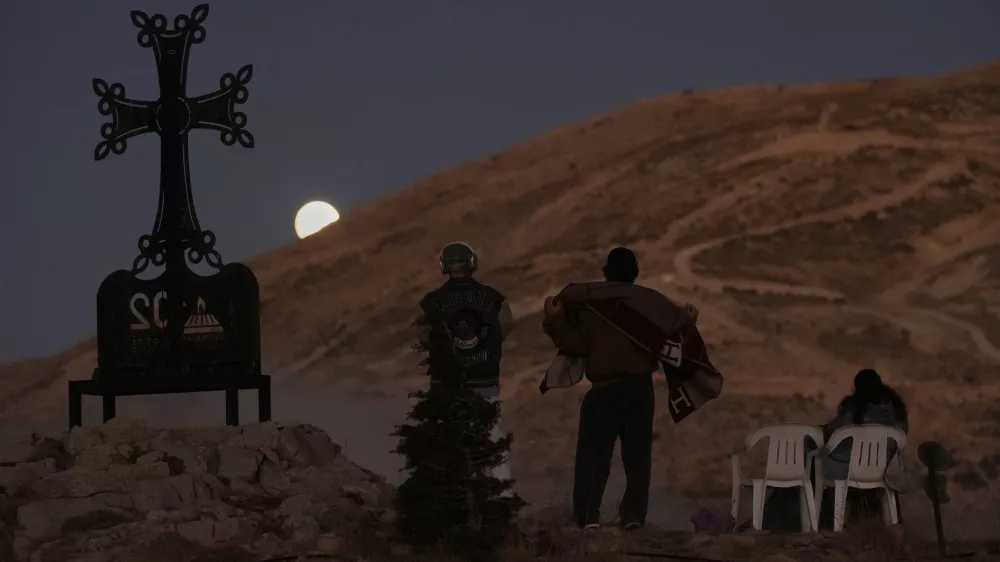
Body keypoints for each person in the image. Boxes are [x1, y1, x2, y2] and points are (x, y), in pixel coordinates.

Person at [541, 247, 707, 531]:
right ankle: (633, 517)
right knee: (638, 458)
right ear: (635, 273)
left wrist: (554, 320)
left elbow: (574, 345)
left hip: (605, 389)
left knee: (594, 456)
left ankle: (588, 518)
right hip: (641, 392)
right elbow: (670, 338)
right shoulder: (650, 304)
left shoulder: (593, 307)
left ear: (606, 272)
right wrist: (688, 321)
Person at [414, 241, 515, 483]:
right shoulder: (494, 299)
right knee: (492, 440)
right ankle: (502, 497)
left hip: (446, 385)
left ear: (444, 267)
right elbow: (505, 328)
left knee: (449, 443)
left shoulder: (432, 302)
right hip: (485, 380)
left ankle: (455, 500)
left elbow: (425, 338)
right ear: (472, 263)